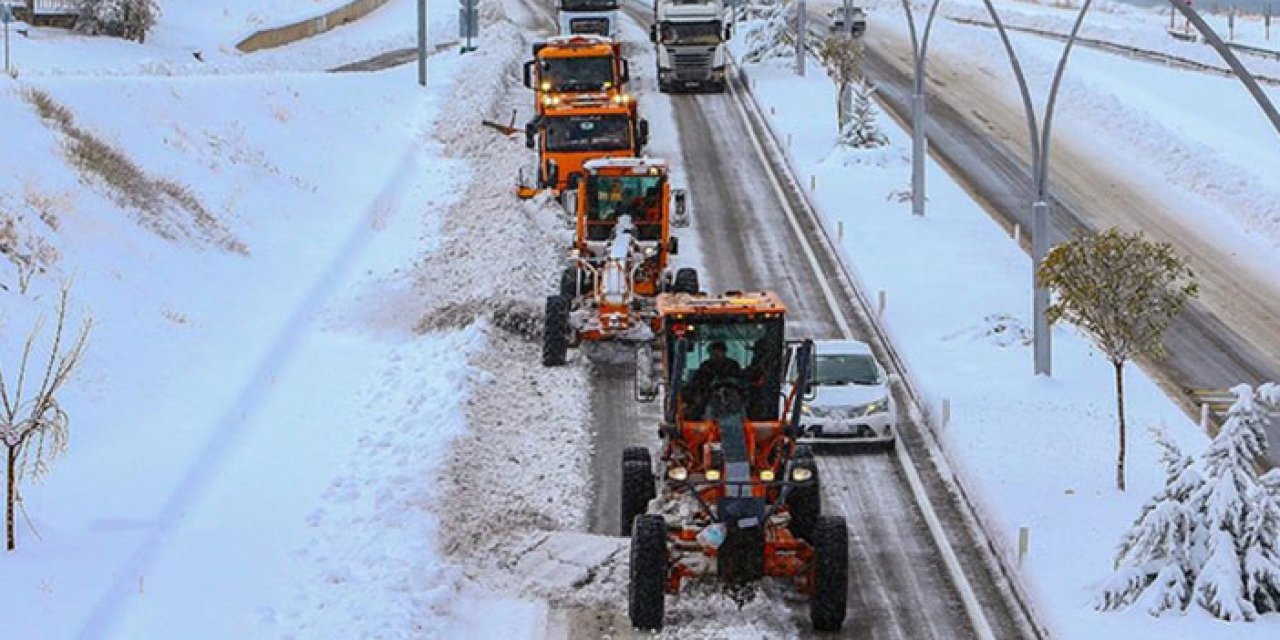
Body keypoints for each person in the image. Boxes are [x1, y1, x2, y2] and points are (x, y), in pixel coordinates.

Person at [683, 342, 742, 419]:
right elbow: (696, 382)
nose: (716, 355)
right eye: (713, 353)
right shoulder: (705, 366)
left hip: (732, 398)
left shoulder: (733, 365)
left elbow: (740, 381)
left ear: (724, 352)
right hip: (708, 397)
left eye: (718, 352)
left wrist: (727, 383)